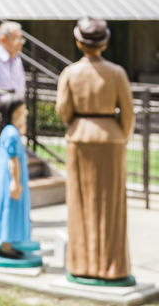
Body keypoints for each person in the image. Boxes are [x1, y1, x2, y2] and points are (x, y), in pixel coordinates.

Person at [56, 17, 135, 283]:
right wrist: (118, 136)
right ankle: (113, 267)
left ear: (78, 42)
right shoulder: (117, 73)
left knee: (80, 203)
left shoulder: (70, 73)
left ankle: (81, 264)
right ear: (105, 42)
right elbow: (128, 114)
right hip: (110, 138)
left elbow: (63, 111)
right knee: (112, 205)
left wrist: (80, 125)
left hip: (79, 138)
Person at [0, 95, 31, 259]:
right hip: (10, 179)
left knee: (10, 209)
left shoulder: (10, 131)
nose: (25, 113)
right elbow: (13, 161)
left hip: (9, 178)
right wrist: (15, 182)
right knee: (10, 210)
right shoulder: (11, 133)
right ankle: (6, 245)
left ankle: (8, 244)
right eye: (21, 111)